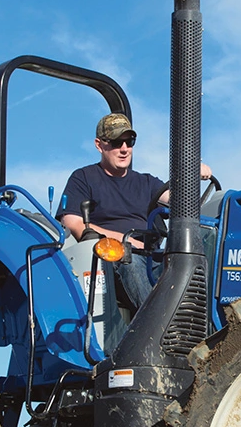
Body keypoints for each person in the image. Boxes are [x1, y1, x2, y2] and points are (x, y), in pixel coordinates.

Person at [59, 113, 213, 313]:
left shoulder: (146, 183)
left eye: (129, 142)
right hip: (111, 260)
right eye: (116, 142)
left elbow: (180, 200)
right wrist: (126, 242)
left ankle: (203, 324)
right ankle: (159, 326)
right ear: (99, 145)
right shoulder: (83, 178)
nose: (124, 149)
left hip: (152, 257)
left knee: (195, 263)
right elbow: (74, 224)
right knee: (129, 261)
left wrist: (190, 173)